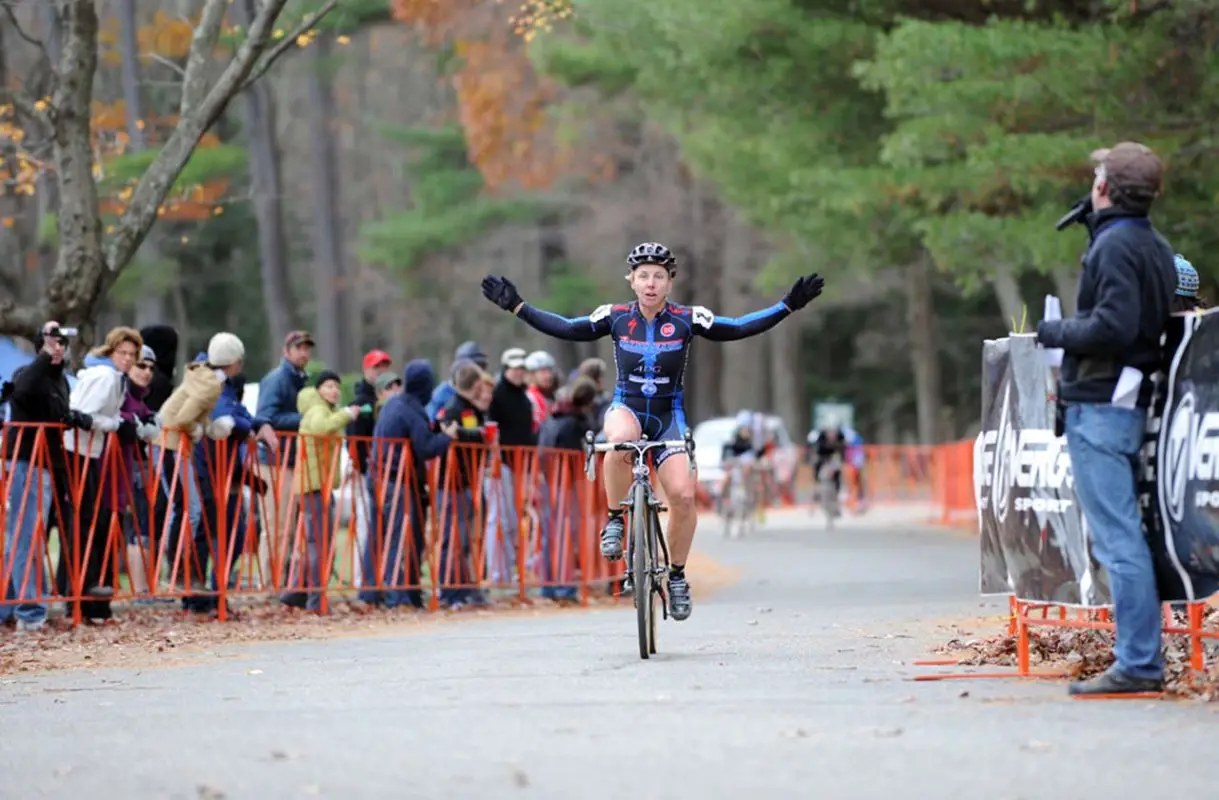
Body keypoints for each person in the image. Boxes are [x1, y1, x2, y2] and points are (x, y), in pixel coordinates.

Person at [480, 241, 825, 621]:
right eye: (643, 276)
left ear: (669, 283)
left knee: (683, 496)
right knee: (618, 441)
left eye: (658, 276)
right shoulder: (614, 317)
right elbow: (566, 328)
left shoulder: (687, 319)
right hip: (626, 406)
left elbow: (738, 328)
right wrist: (518, 306)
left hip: (668, 414)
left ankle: (676, 576)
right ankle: (615, 519)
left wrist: (787, 306)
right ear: (631, 280)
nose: (650, 283)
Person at [1035, 141, 1177, 696]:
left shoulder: (1115, 246)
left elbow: (1113, 327)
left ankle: (1139, 663)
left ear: (1104, 189)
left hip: (1100, 406)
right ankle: (1139, 657)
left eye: (1097, 174)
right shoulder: (1151, 244)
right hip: (1121, 402)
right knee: (1124, 539)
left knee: (1119, 542)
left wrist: (1052, 333)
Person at [362, 360, 458, 609]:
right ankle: (399, 596)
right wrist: (446, 437)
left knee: (388, 536)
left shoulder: (396, 403)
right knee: (400, 537)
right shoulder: (410, 408)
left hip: (381, 477)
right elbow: (425, 447)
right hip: (397, 480)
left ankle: (392, 592)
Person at [0, 322, 74, 631]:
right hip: (26, 462)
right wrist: (44, 357)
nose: (58, 349)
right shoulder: (28, 373)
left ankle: (10, 606)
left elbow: (58, 413)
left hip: (47, 465)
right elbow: (23, 390)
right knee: (25, 537)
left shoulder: (60, 381)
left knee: (25, 537)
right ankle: (29, 612)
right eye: (52, 344)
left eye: (61, 344)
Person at [282, 371, 362, 611]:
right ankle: (315, 599)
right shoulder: (318, 410)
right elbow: (320, 428)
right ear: (319, 390)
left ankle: (297, 592)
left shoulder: (325, 409)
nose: (334, 390)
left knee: (320, 542)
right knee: (320, 544)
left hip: (320, 486)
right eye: (328, 386)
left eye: (336, 386)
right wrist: (346, 415)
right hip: (314, 487)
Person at [716, 414, 756, 513]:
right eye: (743, 429)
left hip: (743, 469)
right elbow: (726, 454)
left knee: (748, 474)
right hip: (733, 467)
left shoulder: (749, 443)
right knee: (726, 478)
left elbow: (752, 456)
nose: (745, 431)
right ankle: (723, 500)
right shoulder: (733, 441)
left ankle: (749, 498)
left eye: (747, 429)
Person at [809, 421, 847, 515]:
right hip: (823, 458)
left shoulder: (840, 436)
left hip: (834, 458)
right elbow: (818, 451)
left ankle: (837, 495)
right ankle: (817, 492)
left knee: (838, 474)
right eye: (829, 433)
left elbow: (842, 450)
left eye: (833, 433)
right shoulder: (821, 437)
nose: (831, 435)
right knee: (817, 472)